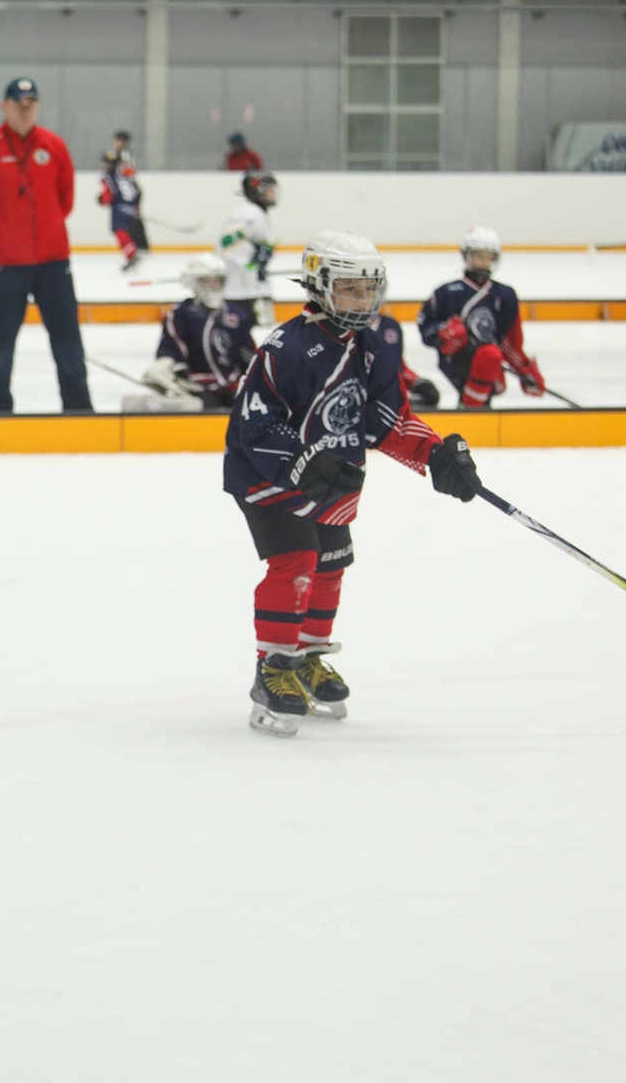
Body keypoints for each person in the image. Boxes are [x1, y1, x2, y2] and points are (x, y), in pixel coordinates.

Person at [224, 231, 484, 738]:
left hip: (338, 476)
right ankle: (273, 667)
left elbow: (387, 419)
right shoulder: (286, 347)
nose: (362, 300)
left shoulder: (377, 344)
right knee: (296, 561)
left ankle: (308, 659)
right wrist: (299, 463)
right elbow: (254, 423)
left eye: (369, 289)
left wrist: (434, 454)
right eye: (349, 288)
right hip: (269, 477)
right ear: (319, 286)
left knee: (331, 566)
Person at [0, 76, 91, 414]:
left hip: (53, 263)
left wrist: (45, 231)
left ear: (38, 107)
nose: (25, 110)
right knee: (0, 344)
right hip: (6, 266)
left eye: (31, 104)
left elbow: (65, 198)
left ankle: (79, 410)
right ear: (5, 107)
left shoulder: (54, 146)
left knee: (68, 341)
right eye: (19, 104)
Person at [415, 226, 546, 410]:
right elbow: (425, 325)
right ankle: (472, 410)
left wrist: (524, 369)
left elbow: (510, 341)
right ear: (467, 256)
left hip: (490, 364)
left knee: (490, 356)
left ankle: (470, 411)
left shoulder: (505, 295)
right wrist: (442, 334)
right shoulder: (446, 293)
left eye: (489, 257)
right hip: (456, 360)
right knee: (489, 356)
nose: (484, 262)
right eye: (479, 256)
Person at [141, 254, 253, 409]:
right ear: (195, 283)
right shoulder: (181, 315)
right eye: (207, 281)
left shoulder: (236, 314)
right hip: (198, 387)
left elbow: (248, 353)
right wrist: (165, 365)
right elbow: (172, 349)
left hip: (233, 386)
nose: (214, 286)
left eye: (217, 281)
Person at [219, 168, 278, 326]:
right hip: (237, 288)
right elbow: (227, 244)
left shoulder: (256, 213)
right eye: (269, 190)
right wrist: (253, 257)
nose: (274, 193)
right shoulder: (249, 214)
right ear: (257, 191)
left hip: (247, 286)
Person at [99, 135, 148, 272]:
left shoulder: (108, 177)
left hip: (119, 208)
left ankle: (132, 254)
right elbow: (137, 191)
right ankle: (136, 250)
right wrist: (135, 206)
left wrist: (101, 200)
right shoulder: (126, 177)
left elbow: (107, 197)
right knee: (128, 230)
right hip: (131, 208)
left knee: (119, 230)